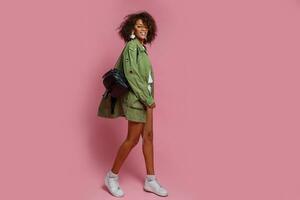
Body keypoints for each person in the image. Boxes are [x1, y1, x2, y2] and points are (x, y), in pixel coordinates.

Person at [97, 11, 168, 197]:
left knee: (149, 137)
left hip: (146, 100)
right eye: (139, 26)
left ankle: (150, 180)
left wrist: (149, 99)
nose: (143, 29)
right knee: (133, 139)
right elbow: (131, 74)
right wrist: (148, 99)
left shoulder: (142, 48)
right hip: (138, 100)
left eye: (145, 26)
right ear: (132, 29)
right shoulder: (131, 47)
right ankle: (111, 177)